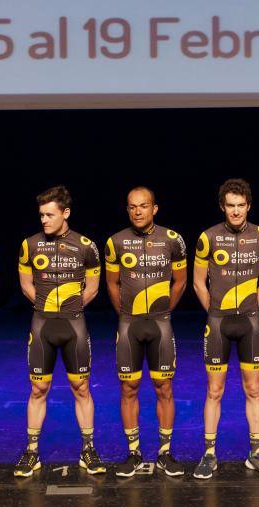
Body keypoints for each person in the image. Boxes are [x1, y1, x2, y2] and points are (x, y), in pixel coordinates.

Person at [14, 186, 105, 478]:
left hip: (73, 326)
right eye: (41, 215)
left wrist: (70, 306)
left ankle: (88, 449)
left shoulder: (86, 246)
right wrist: (45, 304)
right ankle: (31, 452)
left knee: (81, 388)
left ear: (65, 213)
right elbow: (26, 283)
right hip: (42, 326)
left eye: (50, 214)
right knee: (38, 389)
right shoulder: (29, 245)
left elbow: (92, 287)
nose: (44, 220)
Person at [191, 178, 259, 479]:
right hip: (218, 324)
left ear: (249, 206)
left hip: (250, 324)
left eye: (241, 206)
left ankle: (256, 453)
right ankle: (209, 454)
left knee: (253, 389)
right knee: (214, 391)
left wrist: (249, 308)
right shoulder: (208, 237)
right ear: (222, 207)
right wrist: (215, 312)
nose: (236, 211)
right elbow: (198, 283)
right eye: (231, 206)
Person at [105, 187, 187, 478]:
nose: (137, 211)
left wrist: (164, 311)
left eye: (143, 206)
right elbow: (112, 284)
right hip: (129, 325)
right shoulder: (115, 242)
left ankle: (165, 452)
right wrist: (125, 316)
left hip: (160, 324)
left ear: (155, 208)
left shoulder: (172, 240)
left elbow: (180, 282)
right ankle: (133, 452)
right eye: (132, 207)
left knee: (164, 387)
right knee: (129, 388)